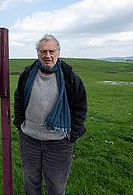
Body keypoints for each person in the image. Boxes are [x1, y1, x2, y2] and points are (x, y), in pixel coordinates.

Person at [14, 34, 87, 195]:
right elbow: (18, 98)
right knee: (30, 181)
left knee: (56, 185)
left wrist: (72, 134)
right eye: (43, 51)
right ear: (38, 53)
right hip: (29, 140)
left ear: (58, 52)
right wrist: (19, 123)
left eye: (51, 51)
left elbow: (80, 108)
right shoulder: (27, 75)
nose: (47, 56)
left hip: (59, 143)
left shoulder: (71, 78)